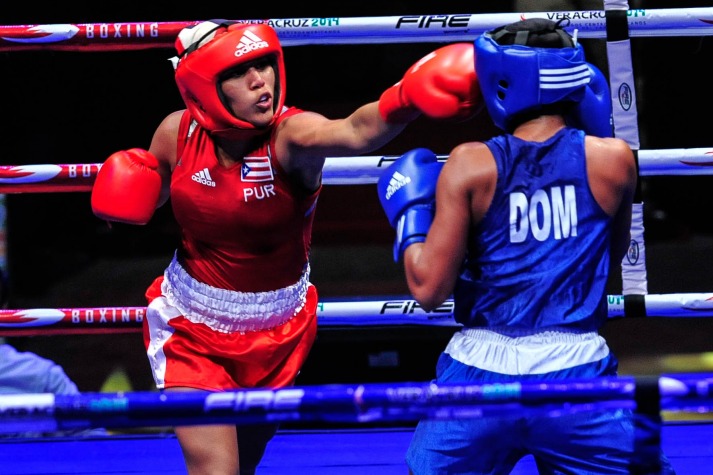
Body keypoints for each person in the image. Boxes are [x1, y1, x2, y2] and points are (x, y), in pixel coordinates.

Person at [90, 20, 481, 475]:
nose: (261, 81)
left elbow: (355, 131)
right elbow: (150, 194)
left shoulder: (290, 137)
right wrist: (121, 200)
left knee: (245, 462)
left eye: (264, 65)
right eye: (241, 72)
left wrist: (406, 98)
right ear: (202, 86)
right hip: (191, 325)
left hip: (277, 329)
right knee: (216, 468)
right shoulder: (176, 132)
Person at [377, 18, 676, 475]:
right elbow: (608, 261)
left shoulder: (469, 165)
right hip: (575, 377)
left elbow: (428, 289)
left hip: (477, 381)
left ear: (499, 82)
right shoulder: (615, 161)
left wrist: (410, 217)